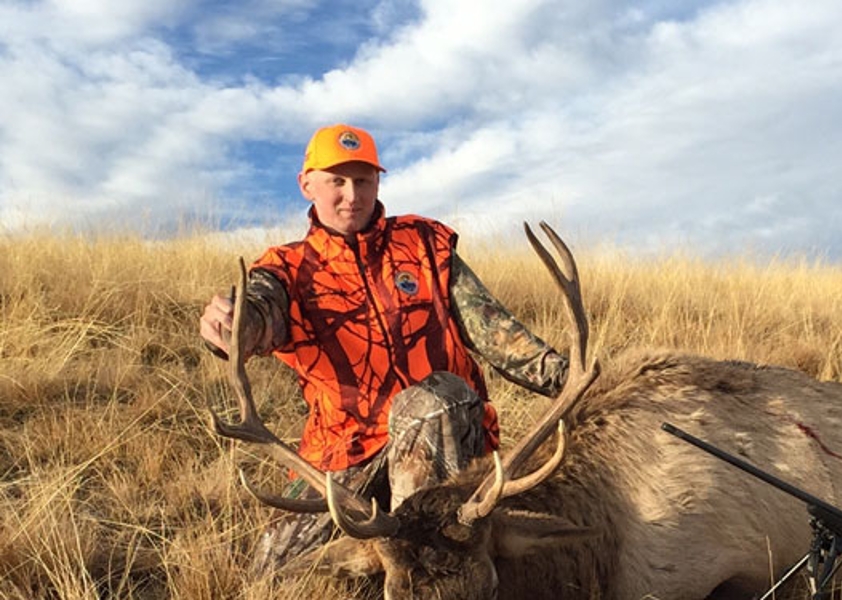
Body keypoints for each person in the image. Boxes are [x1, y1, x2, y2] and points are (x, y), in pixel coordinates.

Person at [197, 123, 569, 573]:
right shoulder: (287, 270)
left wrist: (570, 379)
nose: (352, 194)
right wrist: (235, 325)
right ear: (306, 184)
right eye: (337, 180)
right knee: (274, 573)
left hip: (440, 435)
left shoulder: (425, 246)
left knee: (430, 402)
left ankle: (431, 563)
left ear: (378, 181)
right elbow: (260, 313)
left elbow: (500, 336)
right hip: (342, 453)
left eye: (364, 180)